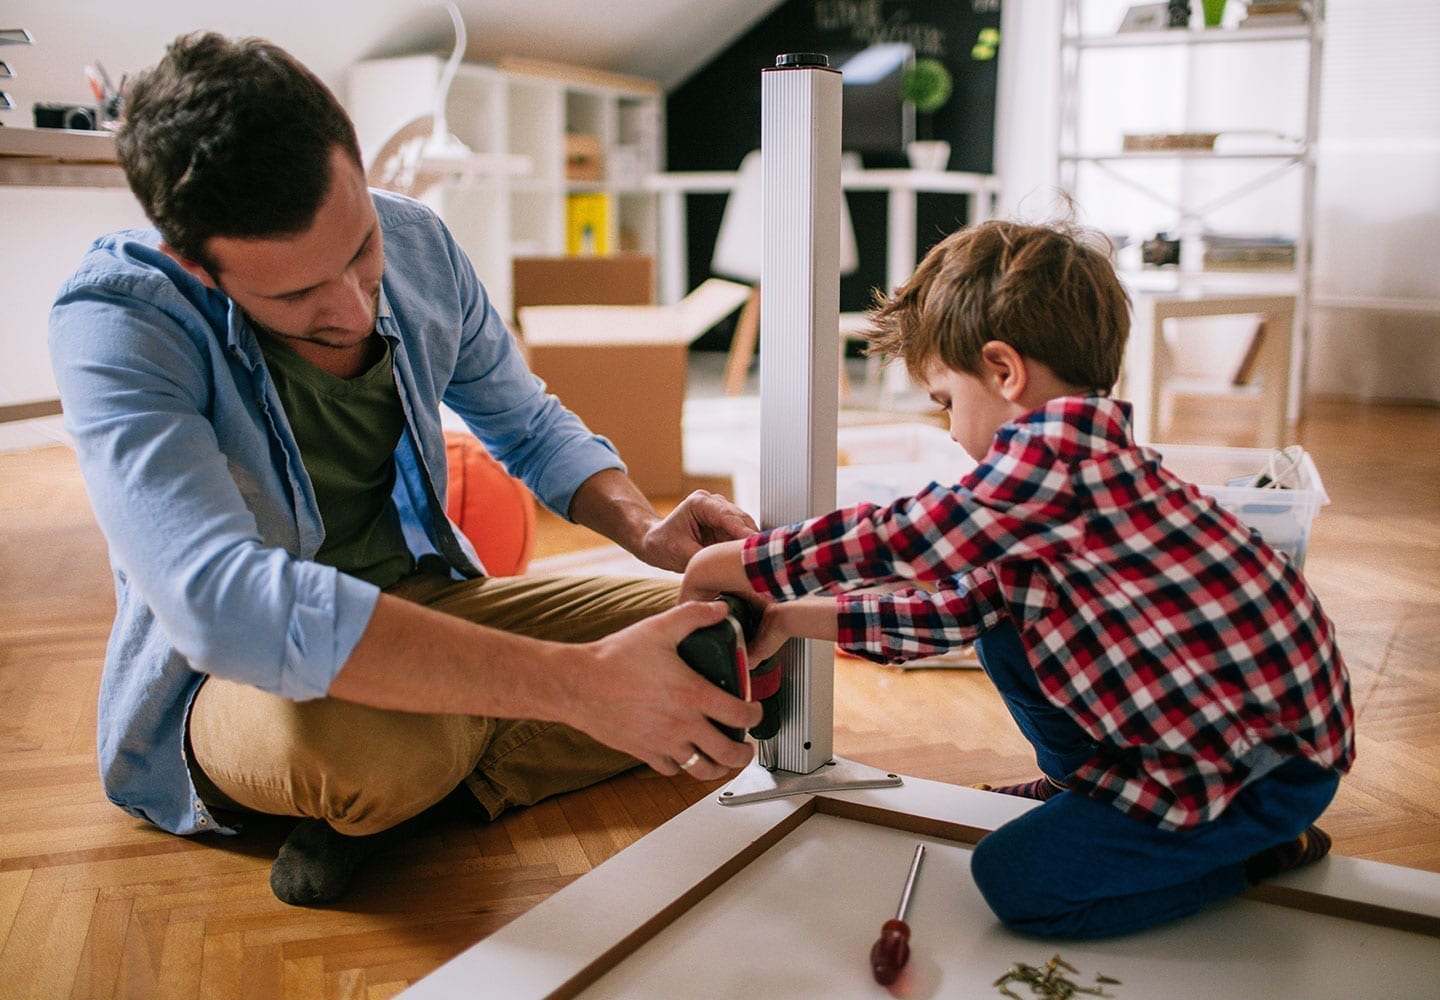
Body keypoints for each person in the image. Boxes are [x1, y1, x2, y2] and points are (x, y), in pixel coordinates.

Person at [49, 32, 761, 907]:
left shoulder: (419, 239)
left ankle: (408, 793)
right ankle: (422, 771)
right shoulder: (118, 319)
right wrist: (581, 687)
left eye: (358, 249)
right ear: (198, 264)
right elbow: (220, 605)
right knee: (363, 752)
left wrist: (641, 526)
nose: (351, 307)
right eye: (297, 296)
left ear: (353, 159)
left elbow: (527, 423)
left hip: (430, 601)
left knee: (730, 628)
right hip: (238, 681)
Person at [681, 219, 1354, 939]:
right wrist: (790, 617)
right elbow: (954, 612)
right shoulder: (1077, 466)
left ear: (1004, 373)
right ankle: (1088, 788)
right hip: (1236, 739)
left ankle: (1251, 854)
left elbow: (909, 537)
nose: (947, 430)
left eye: (945, 400)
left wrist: (743, 565)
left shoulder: (1052, 468)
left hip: (1258, 774)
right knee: (1000, 620)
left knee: (1016, 884)